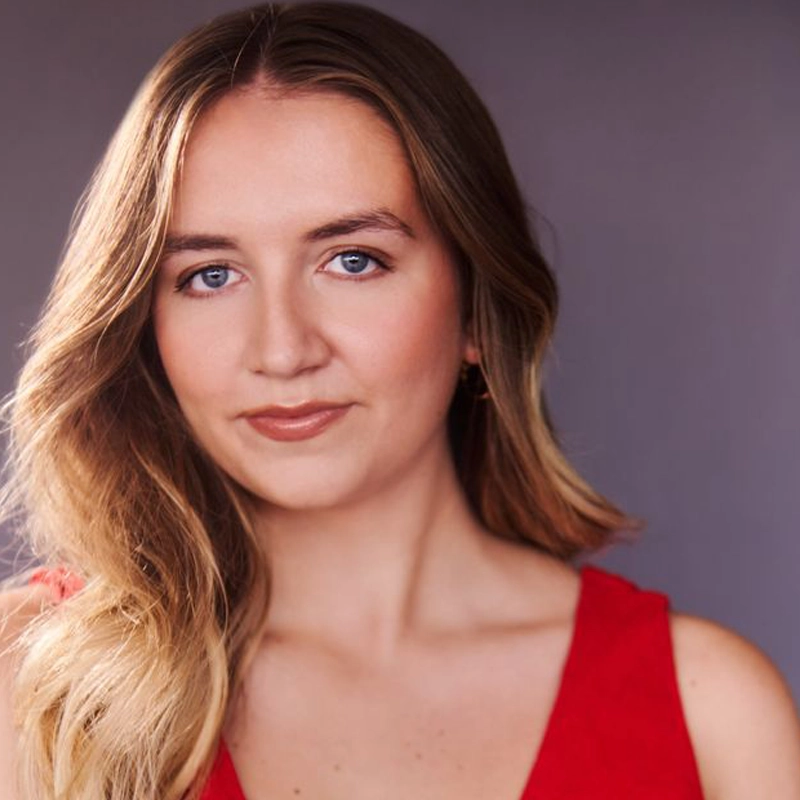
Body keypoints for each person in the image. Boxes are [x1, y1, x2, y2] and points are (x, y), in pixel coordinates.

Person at [0, 2, 798, 798]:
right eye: (211, 276)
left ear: (477, 307)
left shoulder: (711, 717)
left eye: (353, 261)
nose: (282, 350)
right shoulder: (36, 688)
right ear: (148, 324)